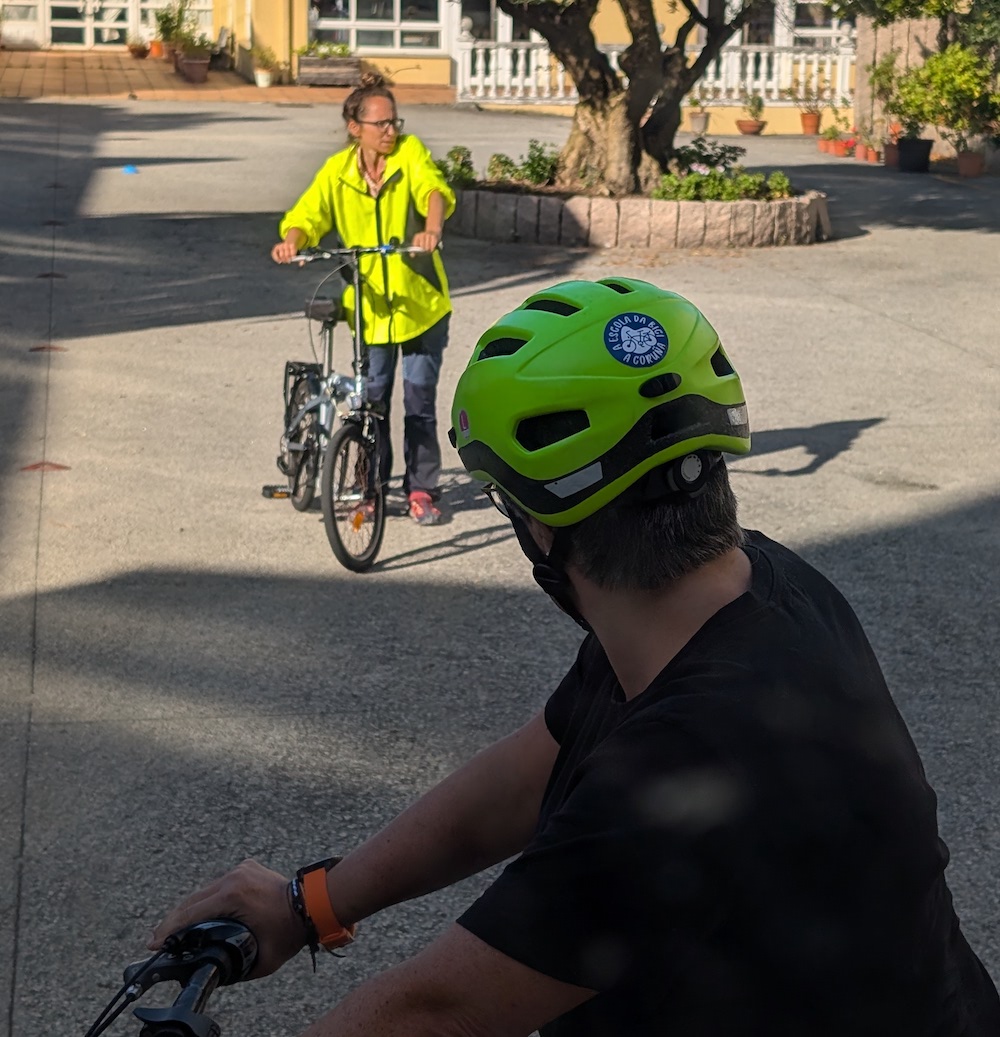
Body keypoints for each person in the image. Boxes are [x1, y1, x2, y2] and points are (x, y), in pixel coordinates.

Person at [152, 279, 1000, 1035]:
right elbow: (532, 768)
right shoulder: (747, 589)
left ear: (543, 526)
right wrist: (315, 902)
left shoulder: (698, 764)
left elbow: (438, 1010)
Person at [272, 70, 454, 526]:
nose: (392, 132)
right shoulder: (337, 172)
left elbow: (434, 189)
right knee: (368, 405)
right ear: (356, 128)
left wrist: (431, 229)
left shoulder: (409, 154)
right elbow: (307, 213)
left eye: (395, 122)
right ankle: (368, 487)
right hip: (369, 309)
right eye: (382, 124)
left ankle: (421, 490)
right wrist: (292, 240)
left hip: (420, 306)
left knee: (419, 403)